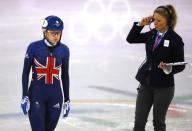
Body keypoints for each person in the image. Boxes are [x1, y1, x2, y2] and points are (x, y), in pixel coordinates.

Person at [126, 5, 185, 131]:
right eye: (154, 19)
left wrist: (168, 68)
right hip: (146, 83)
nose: (155, 23)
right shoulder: (152, 34)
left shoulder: (175, 40)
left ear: (168, 21)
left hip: (164, 87)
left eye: (159, 20)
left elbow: (180, 64)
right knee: (139, 122)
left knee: (158, 122)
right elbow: (130, 39)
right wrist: (140, 24)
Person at [21, 15, 70, 131]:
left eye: (59, 33)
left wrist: (67, 100)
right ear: (45, 32)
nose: (56, 36)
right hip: (36, 96)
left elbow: (65, 76)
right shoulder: (33, 48)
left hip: (56, 97)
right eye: (53, 33)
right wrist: (25, 96)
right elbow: (25, 73)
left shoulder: (64, 50)